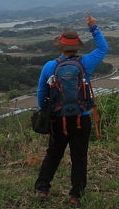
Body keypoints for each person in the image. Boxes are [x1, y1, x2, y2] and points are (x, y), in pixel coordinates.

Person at [35, 12, 108, 207]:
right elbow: (103, 48)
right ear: (76, 47)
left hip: (58, 119)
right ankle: (76, 195)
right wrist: (93, 27)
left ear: (60, 47)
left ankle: (43, 189)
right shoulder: (85, 64)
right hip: (81, 118)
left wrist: (44, 111)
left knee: (53, 154)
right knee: (79, 158)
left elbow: (41, 92)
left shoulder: (50, 66)